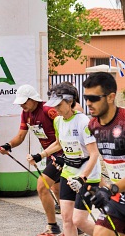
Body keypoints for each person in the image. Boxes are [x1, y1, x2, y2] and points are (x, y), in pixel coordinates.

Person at [28, 83, 100, 236]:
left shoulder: (83, 122)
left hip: (87, 175)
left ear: (70, 101)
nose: (56, 109)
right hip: (68, 173)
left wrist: (82, 177)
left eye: (59, 105)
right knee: (67, 219)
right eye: (54, 105)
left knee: (79, 220)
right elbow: (59, 143)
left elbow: (94, 154)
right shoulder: (58, 121)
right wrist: (40, 155)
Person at [0, 84, 62, 236]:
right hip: (49, 154)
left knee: (41, 186)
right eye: (20, 102)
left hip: (61, 153)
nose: (22, 105)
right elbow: (20, 136)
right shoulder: (25, 114)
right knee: (58, 191)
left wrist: (43, 155)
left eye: (25, 102)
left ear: (34, 99)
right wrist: (8, 145)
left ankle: (53, 226)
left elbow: (63, 133)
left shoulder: (48, 110)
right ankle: (73, 223)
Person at [82, 72, 125, 236]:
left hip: (115, 190)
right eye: (86, 98)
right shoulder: (93, 125)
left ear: (111, 97)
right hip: (119, 195)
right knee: (100, 232)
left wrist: (109, 189)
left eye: (94, 98)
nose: (88, 103)